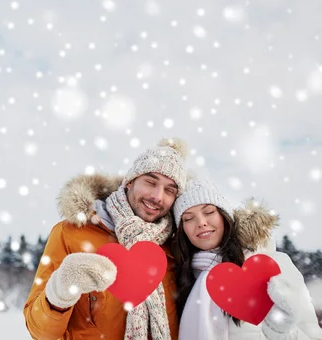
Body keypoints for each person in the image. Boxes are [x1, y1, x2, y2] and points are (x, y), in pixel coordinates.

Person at [24, 138, 189, 340]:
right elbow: (40, 332)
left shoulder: (177, 244)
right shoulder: (71, 233)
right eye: (151, 182)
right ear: (129, 182)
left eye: (169, 190)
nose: (157, 196)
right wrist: (60, 291)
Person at [172, 176, 322, 340]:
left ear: (224, 216)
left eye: (209, 212)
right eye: (188, 218)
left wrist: (282, 332)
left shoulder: (274, 266)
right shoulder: (182, 279)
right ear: (182, 230)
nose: (201, 222)